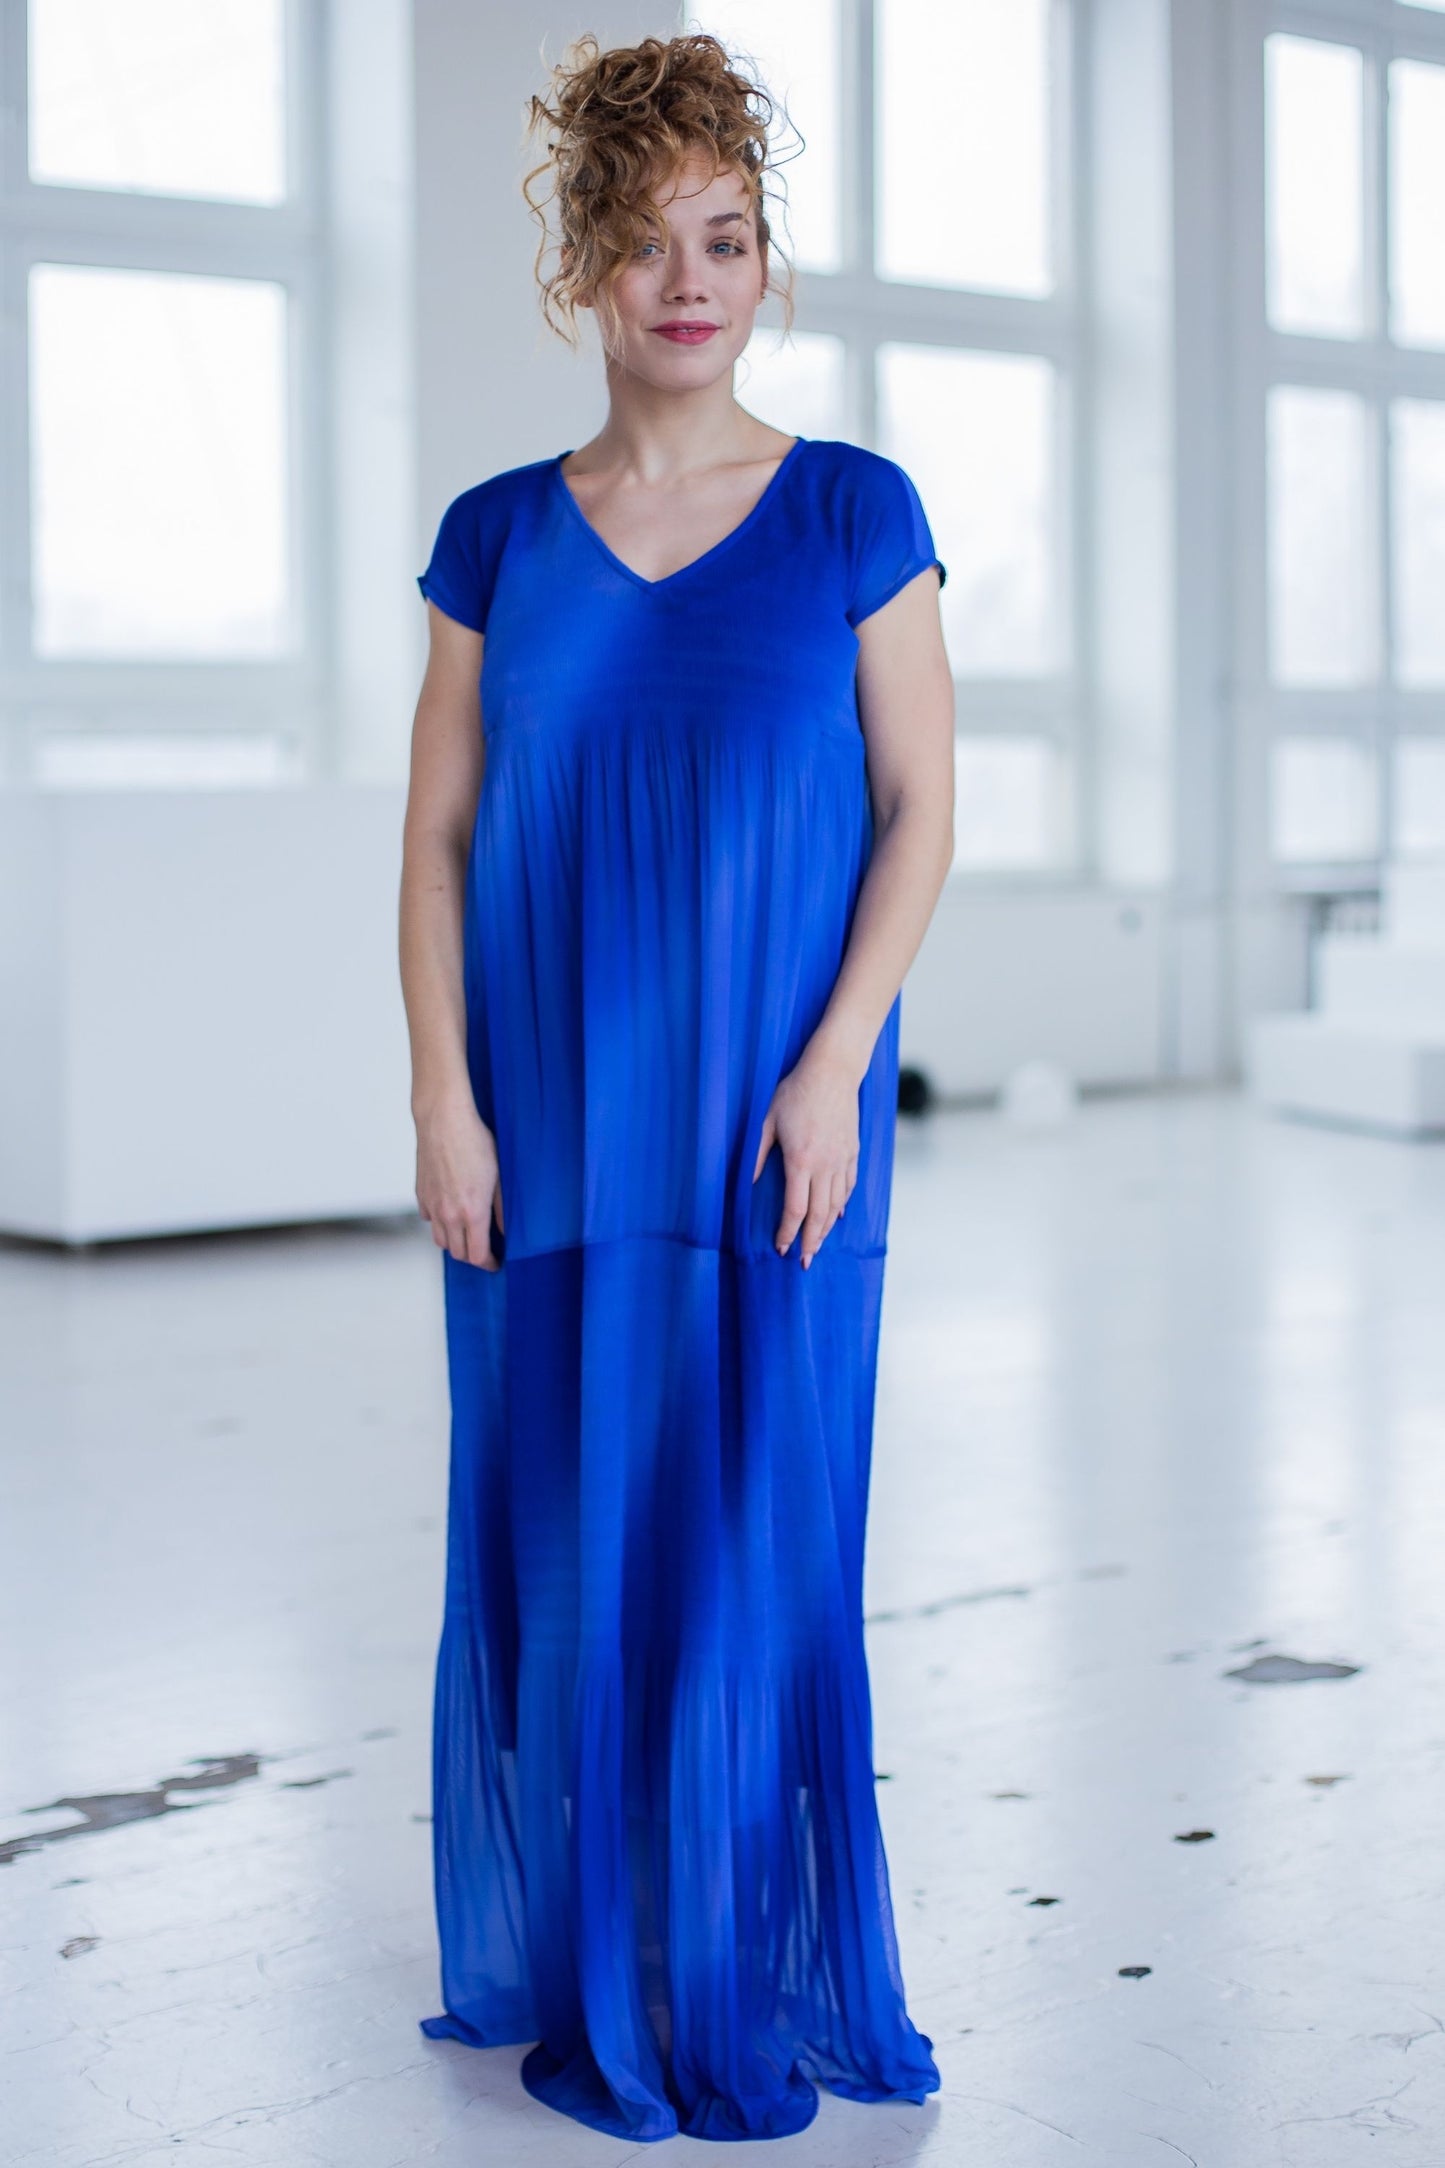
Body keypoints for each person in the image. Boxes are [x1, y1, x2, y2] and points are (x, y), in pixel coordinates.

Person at [397, 28, 955, 2146]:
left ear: (765, 262)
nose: (689, 281)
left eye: (724, 238)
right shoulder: (494, 540)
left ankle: (732, 1956)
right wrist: (443, 1101)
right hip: (551, 1121)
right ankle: (596, 1947)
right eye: (644, 244)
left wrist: (837, 1066)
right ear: (581, 273)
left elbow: (919, 810)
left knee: (754, 1529)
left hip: (774, 1125)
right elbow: (436, 844)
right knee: (564, 1527)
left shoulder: (853, 512)